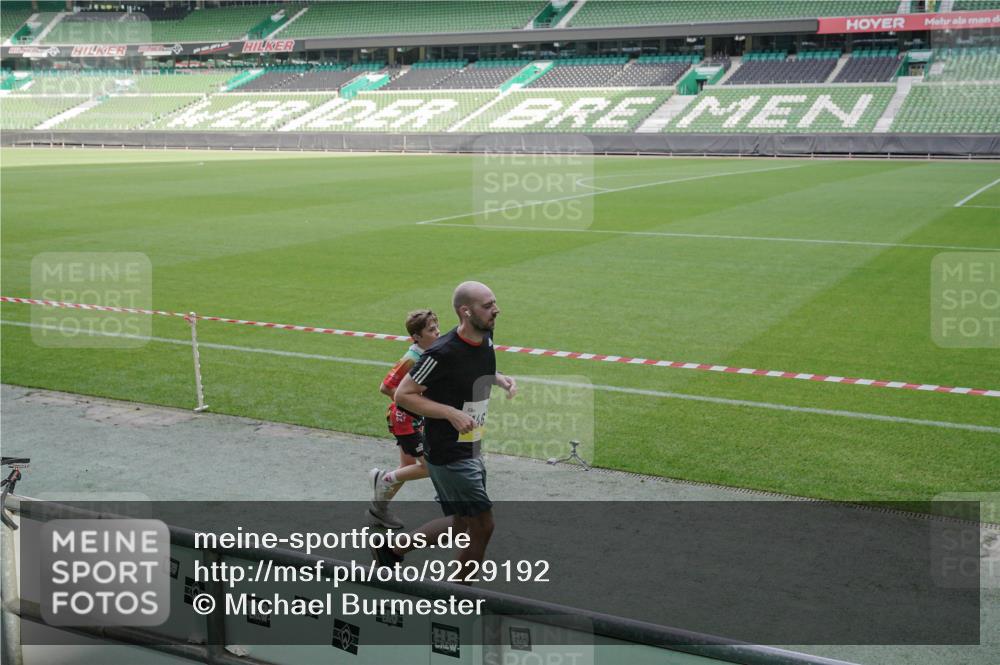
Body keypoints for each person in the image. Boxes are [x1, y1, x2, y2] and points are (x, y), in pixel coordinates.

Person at [372, 281, 516, 584]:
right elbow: (403, 394)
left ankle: (393, 550)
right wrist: (451, 413)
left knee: (464, 523)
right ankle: (458, 597)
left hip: (470, 443)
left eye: (494, 303)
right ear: (466, 311)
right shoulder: (441, 352)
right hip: (448, 451)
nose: (496, 310)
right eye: (488, 305)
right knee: (482, 525)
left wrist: (498, 378)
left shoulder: (485, 336)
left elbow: (474, 368)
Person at [368, 309, 440, 529]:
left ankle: (378, 509)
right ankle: (384, 478)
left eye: (437, 326)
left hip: (414, 418)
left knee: (407, 466)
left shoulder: (429, 353)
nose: (438, 332)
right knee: (429, 467)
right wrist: (412, 404)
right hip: (405, 421)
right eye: (431, 330)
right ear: (416, 336)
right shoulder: (411, 358)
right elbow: (386, 386)